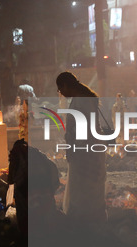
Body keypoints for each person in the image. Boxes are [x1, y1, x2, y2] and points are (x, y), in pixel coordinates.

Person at [55, 71, 107, 229]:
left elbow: (83, 129)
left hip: (85, 150)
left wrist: (75, 148)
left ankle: (85, 219)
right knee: (87, 184)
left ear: (65, 85)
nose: (61, 94)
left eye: (60, 89)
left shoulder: (82, 101)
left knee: (83, 185)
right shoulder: (82, 99)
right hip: (87, 148)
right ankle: (88, 218)